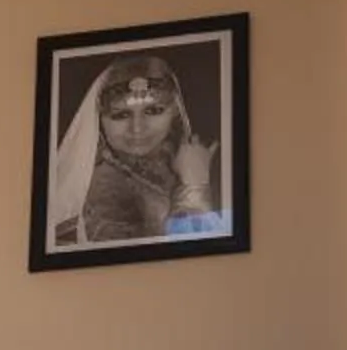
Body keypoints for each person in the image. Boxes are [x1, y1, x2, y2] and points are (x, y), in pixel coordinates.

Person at [44, 53, 224, 247]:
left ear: (175, 111)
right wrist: (194, 187)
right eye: (121, 115)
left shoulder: (192, 158)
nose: (137, 128)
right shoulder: (103, 190)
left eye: (153, 111)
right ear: (99, 119)